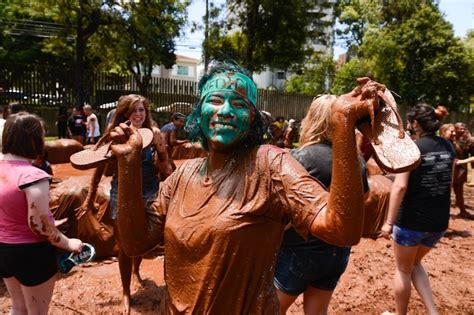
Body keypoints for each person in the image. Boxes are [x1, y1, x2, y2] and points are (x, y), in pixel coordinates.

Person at [101, 61, 386, 313]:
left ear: (251, 118)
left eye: (239, 104)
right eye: (214, 100)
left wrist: (343, 127)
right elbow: (136, 242)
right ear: (199, 111)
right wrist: (128, 164)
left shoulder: (270, 165)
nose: (225, 111)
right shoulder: (181, 178)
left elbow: (342, 229)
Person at [274, 95, 369, 314]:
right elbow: (358, 205)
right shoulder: (357, 162)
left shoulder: (299, 158)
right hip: (337, 254)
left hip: (298, 250)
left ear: (312, 119)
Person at [80, 94, 172, 314]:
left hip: (149, 191)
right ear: (124, 113)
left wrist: (162, 161)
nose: (138, 115)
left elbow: (165, 164)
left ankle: (136, 271)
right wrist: (89, 197)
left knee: (139, 239)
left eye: (142, 110)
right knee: (123, 245)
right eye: (133, 111)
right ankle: (125, 293)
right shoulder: (116, 136)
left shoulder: (156, 134)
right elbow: (99, 170)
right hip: (121, 194)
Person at [0, 112, 84, 315]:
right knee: (37, 312)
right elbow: (39, 225)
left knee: (18, 307)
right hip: (31, 254)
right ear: (32, 140)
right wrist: (68, 243)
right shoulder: (33, 176)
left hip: (4, 250)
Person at [381, 104, 455, 315]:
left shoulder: (411, 149)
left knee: (403, 269)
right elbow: (447, 184)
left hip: (411, 223)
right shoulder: (448, 147)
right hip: (439, 224)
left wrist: (388, 223)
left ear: (415, 124)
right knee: (414, 264)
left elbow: (400, 186)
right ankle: (433, 312)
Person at [451, 122, 473, 218]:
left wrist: (462, 161)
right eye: (460, 128)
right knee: (445, 192)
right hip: (450, 171)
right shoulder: (449, 140)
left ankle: (462, 211)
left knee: (459, 191)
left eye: (464, 127)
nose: (463, 129)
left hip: (461, 170)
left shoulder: (467, 142)